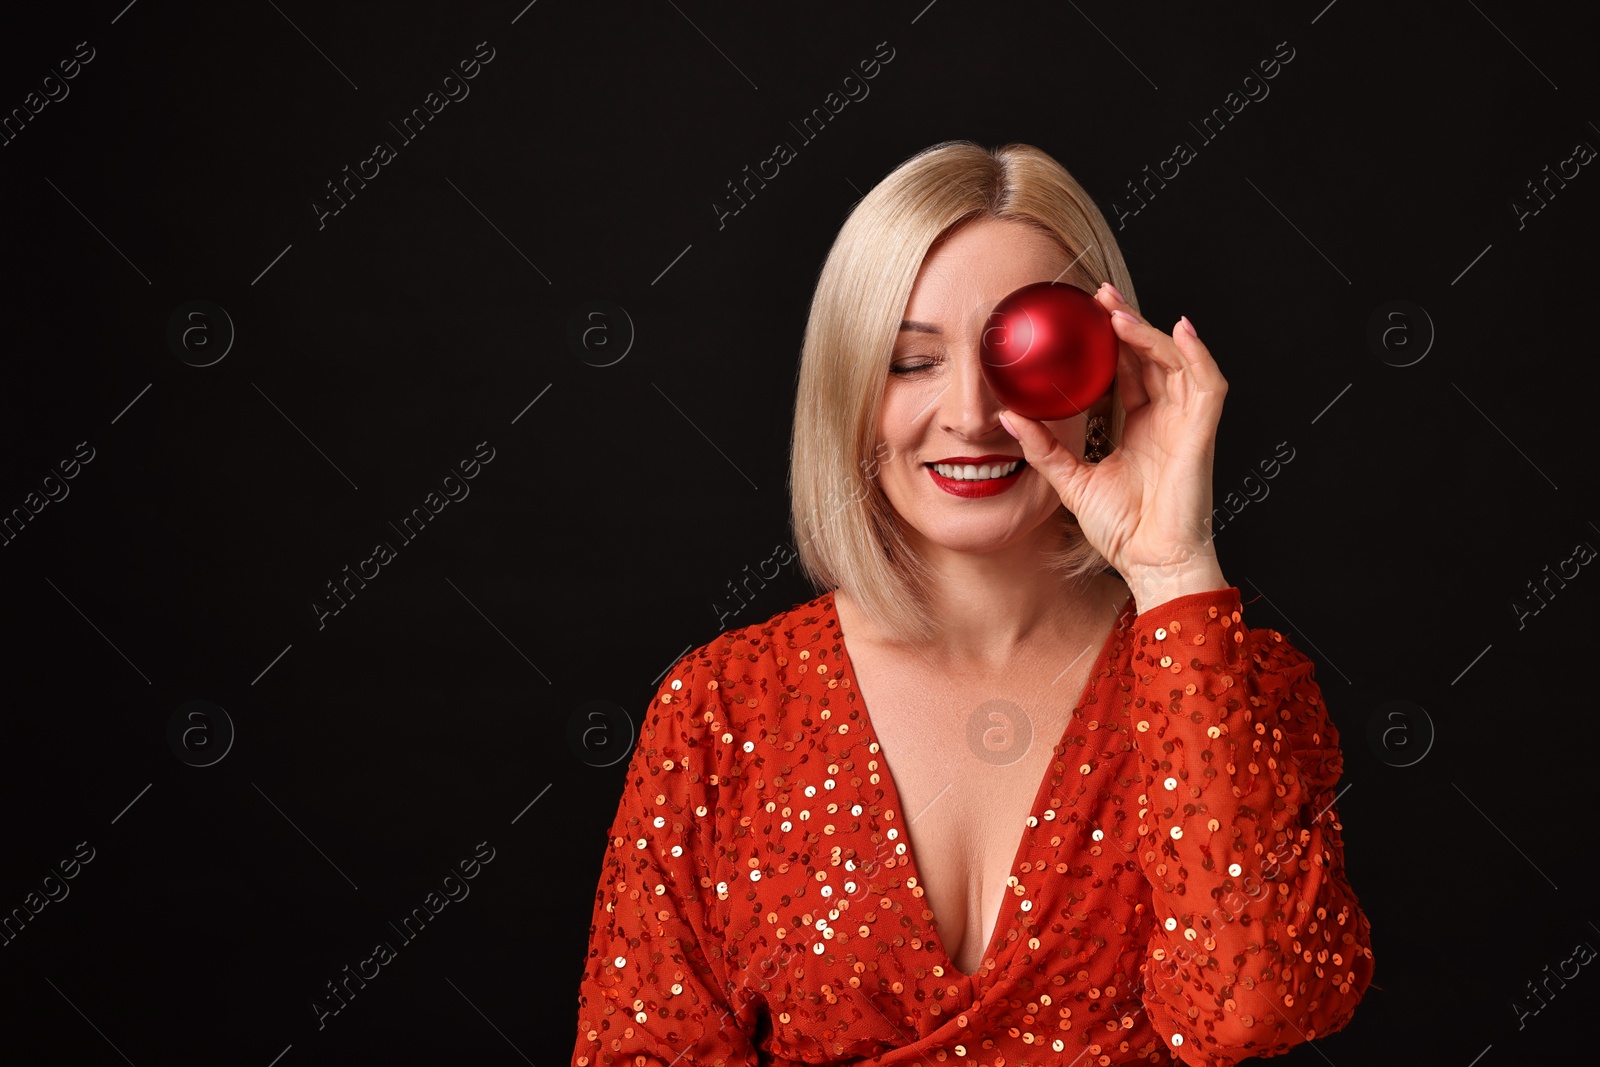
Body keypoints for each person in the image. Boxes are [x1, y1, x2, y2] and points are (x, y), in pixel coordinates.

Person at [570, 140, 1374, 1067]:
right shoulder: (721, 710)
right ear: (848, 390)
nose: (971, 413)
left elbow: (1254, 1008)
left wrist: (1173, 567)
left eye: (1024, 355)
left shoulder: (1227, 679)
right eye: (912, 362)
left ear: (1103, 378)